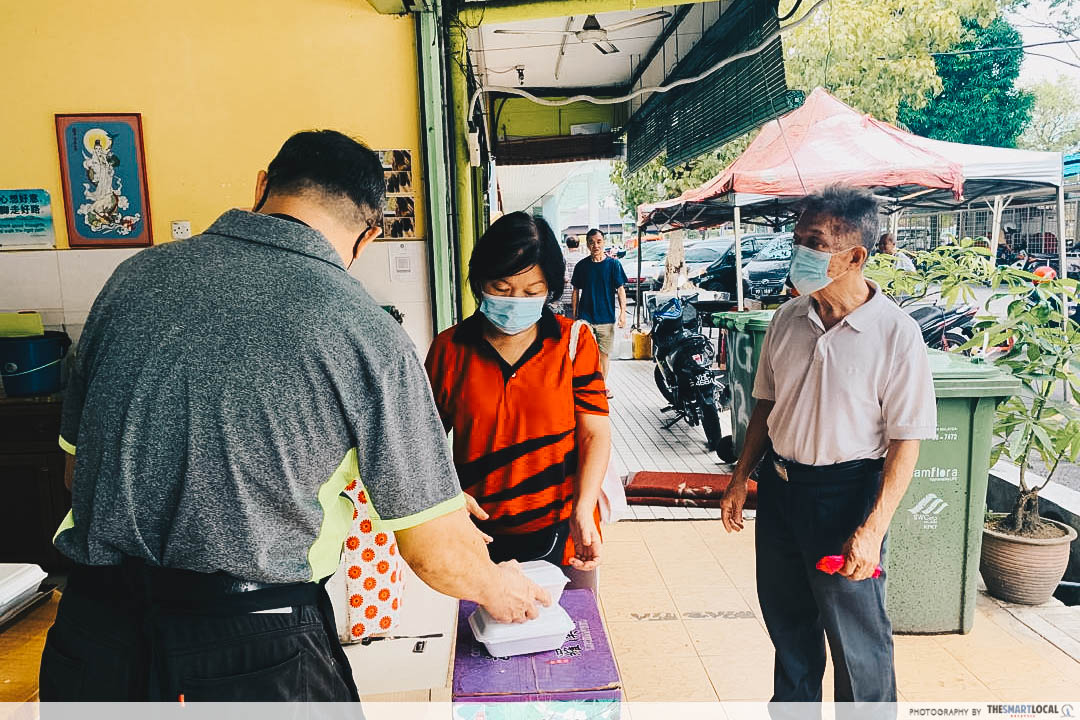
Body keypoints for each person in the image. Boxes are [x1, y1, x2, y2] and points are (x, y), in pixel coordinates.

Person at [40, 130, 548, 702]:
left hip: (92, 636)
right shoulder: (362, 328)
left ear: (263, 186)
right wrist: (496, 586)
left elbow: (74, 473)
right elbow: (435, 552)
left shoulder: (130, 282)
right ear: (370, 234)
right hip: (254, 649)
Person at [720, 185, 936, 704]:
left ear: (856, 256)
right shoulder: (787, 320)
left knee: (857, 643)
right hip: (781, 493)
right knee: (789, 631)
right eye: (797, 239)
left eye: (813, 242)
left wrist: (872, 528)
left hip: (847, 498)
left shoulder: (895, 335)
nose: (799, 253)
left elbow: (907, 441)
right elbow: (766, 408)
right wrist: (740, 477)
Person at [425, 212, 610, 590]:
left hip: (563, 530)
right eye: (502, 287)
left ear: (550, 290)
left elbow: (595, 434)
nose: (516, 301)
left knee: (570, 639)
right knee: (484, 642)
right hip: (477, 536)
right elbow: (422, 444)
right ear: (480, 281)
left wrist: (583, 510)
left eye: (531, 291)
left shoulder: (573, 343)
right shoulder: (449, 350)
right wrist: (446, 499)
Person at [571, 228, 628, 392]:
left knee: (604, 354)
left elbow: (620, 290)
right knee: (586, 354)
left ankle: (601, 386)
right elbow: (576, 291)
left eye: (598, 241)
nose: (595, 245)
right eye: (591, 242)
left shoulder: (613, 265)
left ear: (603, 242)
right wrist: (575, 315)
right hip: (585, 317)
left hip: (606, 318)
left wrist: (623, 313)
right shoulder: (582, 266)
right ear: (587, 244)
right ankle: (587, 384)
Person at [551, 235, 586, 317]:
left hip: (568, 296)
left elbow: (565, 278)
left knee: (570, 321)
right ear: (578, 244)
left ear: (567, 245)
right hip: (583, 295)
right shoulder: (584, 258)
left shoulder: (564, 259)